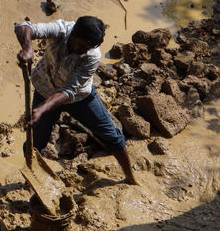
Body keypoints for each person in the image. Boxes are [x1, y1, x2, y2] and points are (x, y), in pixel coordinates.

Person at [15, 16, 138, 185]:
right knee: (34, 142)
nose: (83, 51)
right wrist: (28, 47)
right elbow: (24, 27)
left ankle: (131, 177)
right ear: (72, 34)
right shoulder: (60, 30)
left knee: (111, 135)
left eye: (88, 48)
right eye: (80, 45)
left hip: (79, 97)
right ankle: (34, 179)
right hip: (45, 88)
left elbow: (69, 90)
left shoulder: (92, 56)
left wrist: (42, 109)